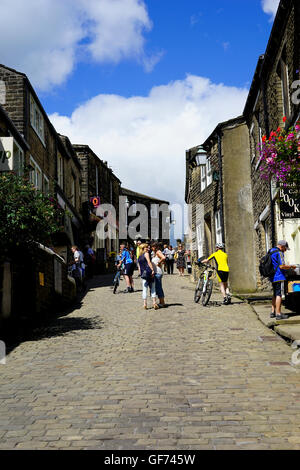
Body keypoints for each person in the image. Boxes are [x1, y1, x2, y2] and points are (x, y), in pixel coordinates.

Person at [269, 240, 290, 320]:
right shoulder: (279, 253)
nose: (285, 251)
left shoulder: (271, 251)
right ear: (282, 246)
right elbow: (281, 266)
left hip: (272, 276)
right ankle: (278, 314)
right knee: (279, 295)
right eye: (285, 249)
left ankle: (273, 312)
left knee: (275, 294)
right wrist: (290, 267)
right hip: (279, 276)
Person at [138, 243, 158, 310]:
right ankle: (154, 303)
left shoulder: (139, 256)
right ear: (143, 248)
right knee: (153, 288)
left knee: (144, 289)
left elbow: (139, 267)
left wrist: (140, 273)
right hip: (149, 273)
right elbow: (149, 262)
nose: (147, 248)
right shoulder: (146, 254)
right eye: (146, 247)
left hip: (143, 274)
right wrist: (152, 270)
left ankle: (144, 304)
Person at [151, 242, 166, 307]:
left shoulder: (158, 252)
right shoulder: (154, 253)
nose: (152, 248)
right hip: (156, 272)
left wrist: (159, 263)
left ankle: (162, 302)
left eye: (153, 246)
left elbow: (163, 257)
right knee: (157, 287)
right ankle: (161, 301)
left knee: (159, 287)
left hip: (158, 272)